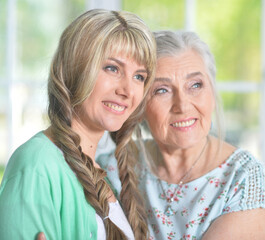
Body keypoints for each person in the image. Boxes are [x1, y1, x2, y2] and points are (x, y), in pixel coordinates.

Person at [96, 30, 265, 239]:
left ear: (212, 92)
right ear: (139, 105)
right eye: (162, 90)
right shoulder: (114, 167)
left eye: (195, 85)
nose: (183, 106)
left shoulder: (246, 181)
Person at [0, 9, 156, 240]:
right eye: (112, 68)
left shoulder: (103, 171)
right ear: (75, 69)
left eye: (139, 77)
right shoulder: (36, 165)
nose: (127, 90)